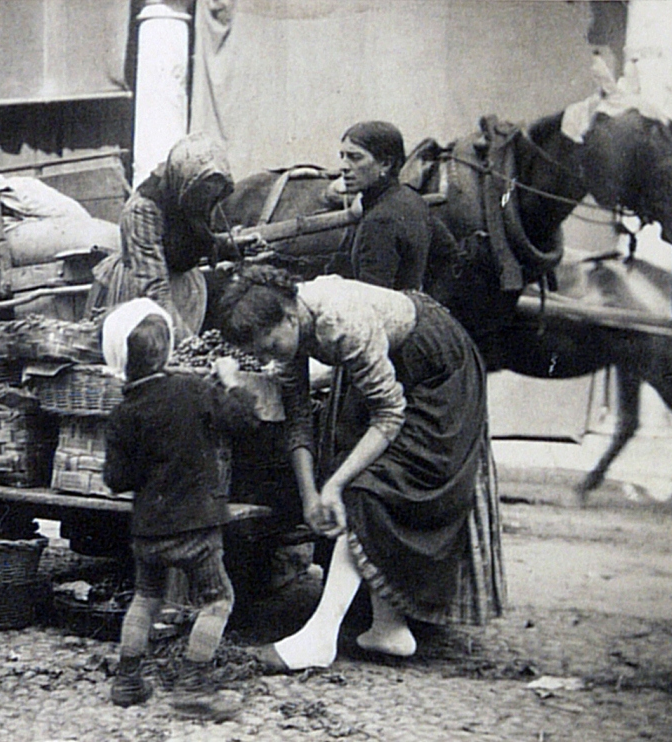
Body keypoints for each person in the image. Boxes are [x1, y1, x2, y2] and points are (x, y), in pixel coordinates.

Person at [215, 265, 503, 670]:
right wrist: (311, 494)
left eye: (271, 347)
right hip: (395, 365)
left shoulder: (340, 321)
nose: (267, 358)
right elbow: (296, 418)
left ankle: (320, 638)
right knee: (353, 475)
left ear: (290, 316)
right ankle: (389, 629)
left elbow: (388, 414)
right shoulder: (291, 328)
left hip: (439, 368)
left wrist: (333, 487)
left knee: (372, 487)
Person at [101, 298, 258, 720]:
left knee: (146, 598)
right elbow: (244, 420)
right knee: (217, 600)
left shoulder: (121, 413)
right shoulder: (192, 390)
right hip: (195, 527)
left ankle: (128, 680)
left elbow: (116, 480)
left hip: (147, 531)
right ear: (168, 350)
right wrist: (229, 382)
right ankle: (193, 685)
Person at [86, 133, 235, 340]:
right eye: (202, 194)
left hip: (183, 290)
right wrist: (188, 344)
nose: (206, 201)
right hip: (139, 295)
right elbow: (154, 290)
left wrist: (227, 245)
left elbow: (190, 237)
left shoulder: (188, 198)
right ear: (184, 183)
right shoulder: (143, 210)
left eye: (212, 196)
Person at [333, 121, 431, 290]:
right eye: (342, 156)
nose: (343, 167)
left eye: (355, 157)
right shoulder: (413, 199)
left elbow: (372, 299)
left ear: (386, 163)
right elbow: (448, 257)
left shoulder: (379, 221)